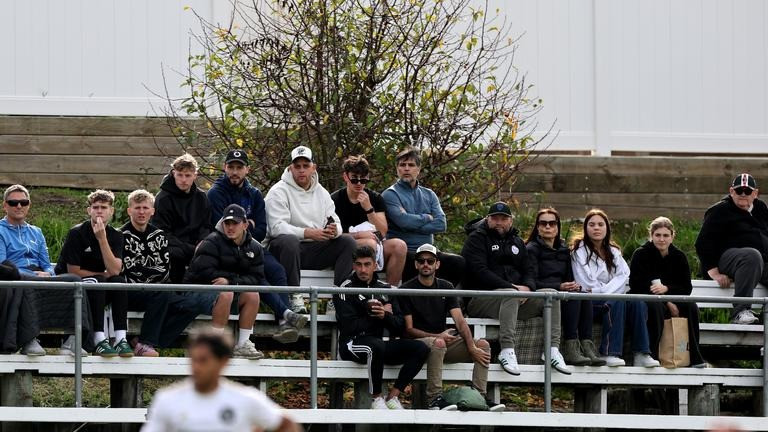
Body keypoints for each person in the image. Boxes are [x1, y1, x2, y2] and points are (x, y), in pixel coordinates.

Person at [207, 149, 306, 342]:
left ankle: (284, 323)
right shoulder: (215, 193)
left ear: (247, 170)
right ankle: (285, 313)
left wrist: (245, 228)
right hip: (226, 250)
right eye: (231, 167)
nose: (235, 171)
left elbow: (261, 229)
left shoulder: (254, 194)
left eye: (239, 167)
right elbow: (220, 228)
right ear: (224, 168)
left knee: (276, 270)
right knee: (257, 276)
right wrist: (246, 225)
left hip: (252, 247)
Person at [461, 202, 570, 375]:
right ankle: (507, 350)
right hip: (481, 299)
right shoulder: (476, 239)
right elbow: (479, 272)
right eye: (495, 218)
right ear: (487, 219)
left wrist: (527, 287)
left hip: (514, 300)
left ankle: (552, 350)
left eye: (503, 219)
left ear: (510, 221)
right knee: (511, 295)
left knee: (551, 295)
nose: (499, 222)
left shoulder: (517, 242)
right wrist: (512, 287)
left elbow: (529, 270)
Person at [400, 244, 505, 412]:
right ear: (416, 264)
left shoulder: (446, 286)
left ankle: (478, 397)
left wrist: (471, 347)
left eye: (430, 261)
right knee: (439, 342)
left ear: (437, 264)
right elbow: (409, 330)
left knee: (483, 345)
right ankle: (435, 399)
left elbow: (460, 321)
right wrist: (437, 335)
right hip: (417, 346)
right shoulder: (406, 288)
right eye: (421, 261)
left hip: (440, 345)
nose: (425, 264)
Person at [141, 329, 300, 432]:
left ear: (223, 362)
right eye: (193, 360)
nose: (196, 367)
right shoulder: (167, 399)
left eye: (203, 360)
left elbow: (287, 425)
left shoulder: (246, 399)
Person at [334, 246, 429, 409]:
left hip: (378, 344)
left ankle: (393, 396)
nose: (363, 269)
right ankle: (376, 398)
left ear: (376, 265)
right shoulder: (344, 290)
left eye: (367, 264)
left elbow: (400, 326)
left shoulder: (386, 289)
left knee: (421, 348)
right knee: (375, 346)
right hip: (351, 344)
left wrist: (384, 316)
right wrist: (377, 315)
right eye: (359, 264)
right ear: (353, 266)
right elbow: (350, 327)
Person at [0, 184, 89, 357]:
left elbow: (47, 264)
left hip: (38, 273)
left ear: (28, 205)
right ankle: (29, 339)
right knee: (24, 280)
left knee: (74, 280)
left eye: (23, 202)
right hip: (15, 273)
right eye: (13, 202)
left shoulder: (36, 232)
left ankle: (72, 339)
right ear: (5, 205)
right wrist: (33, 274)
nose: (19, 206)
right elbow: (3, 263)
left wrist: (49, 273)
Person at [265, 145, 357, 308]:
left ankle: (338, 297)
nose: (301, 170)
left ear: (313, 168)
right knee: (289, 241)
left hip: (312, 251)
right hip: (284, 252)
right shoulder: (278, 191)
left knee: (347, 242)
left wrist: (334, 231)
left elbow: (335, 221)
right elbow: (276, 227)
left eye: (305, 166)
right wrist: (307, 233)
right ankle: (294, 295)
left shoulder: (322, 193)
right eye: (297, 166)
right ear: (290, 168)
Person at [184, 204, 278, 360]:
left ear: (245, 224)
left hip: (225, 294)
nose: (230, 227)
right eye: (227, 223)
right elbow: (204, 273)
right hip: (196, 293)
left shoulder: (255, 247)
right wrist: (231, 282)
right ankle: (215, 345)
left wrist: (230, 280)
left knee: (252, 295)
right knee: (226, 293)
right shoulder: (211, 242)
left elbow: (257, 278)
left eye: (235, 223)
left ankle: (243, 344)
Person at [571, 208, 660, 368]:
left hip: (609, 299)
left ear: (607, 228)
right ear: (586, 228)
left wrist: (603, 290)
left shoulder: (614, 251)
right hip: (589, 302)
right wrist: (606, 291)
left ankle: (641, 353)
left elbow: (624, 276)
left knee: (637, 302)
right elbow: (585, 283)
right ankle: (609, 353)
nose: (596, 228)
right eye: (592, 225)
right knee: (618, 301)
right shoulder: (579, 252)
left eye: (600, 224)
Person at [121, 189, 202, 356]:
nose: (141, 212)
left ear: (152, 211)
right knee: (161, 292)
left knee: (192, 304)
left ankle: (149, 342)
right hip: (130, 292)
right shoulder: (120, 235)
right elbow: (129, 270)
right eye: (137, 208)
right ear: (129, 210)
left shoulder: (160, 236)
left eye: (145, 208)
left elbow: (164, 268)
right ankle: (146, 343)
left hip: (158, 292)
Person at [526, 208, 605, 367]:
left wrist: (571, 286)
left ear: (557, 226)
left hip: (562, 292)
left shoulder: (564, 250)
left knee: (582, 296)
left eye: (552, 223)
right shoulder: (531, 249)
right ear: (538, 227)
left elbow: (569, 277)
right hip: (544, 295)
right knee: (572, 299)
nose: (548, 227)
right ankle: (571, 349)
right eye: (543, 223)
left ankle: (588, 347)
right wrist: (559, 286)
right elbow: (532, 281)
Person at [56, 190, 131, 358]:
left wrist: (102, 239)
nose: (99, 211)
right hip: (74, 285)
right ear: (89, 210)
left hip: (99, 284)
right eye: (95, 207)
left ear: (111, 211)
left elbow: (114, 271)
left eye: (104, 207)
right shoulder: (77, 233)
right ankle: (99, 339)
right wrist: (101, 274)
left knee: (119, 281)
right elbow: (73, 271)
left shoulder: (117, 235)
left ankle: (120, 338)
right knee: (98, 280)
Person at [382, 147, 465, 288]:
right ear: (397, 169)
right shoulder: (390, 194)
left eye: (411, 165)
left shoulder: (429, 194)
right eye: (402, 165)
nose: (406, 169)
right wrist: (427, 217)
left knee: (458, 262)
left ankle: (444, 302)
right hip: (406, 254)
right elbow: (403, 221)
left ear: (418, 169)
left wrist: (409, 222)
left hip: (429, 251)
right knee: (416, 263)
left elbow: (441, 224)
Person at [630, 217, 707, 368]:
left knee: (691, 307)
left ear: (672, 236)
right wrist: (666, 301)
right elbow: (636, 285)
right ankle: (652, 353)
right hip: (648, 299)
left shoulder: (679, 256)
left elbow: (686, 287)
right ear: (651, 236)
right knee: (655, 307)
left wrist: (667, 289)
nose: (661, 239)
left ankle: (694, 356)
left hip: (672, 297)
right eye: (657, 235)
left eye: (666, 235)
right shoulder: (641, 254)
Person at [695, 173, 768, 325]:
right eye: (738, 190)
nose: (742, 194)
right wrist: (713, 272)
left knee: (755, 257)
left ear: (755, 193)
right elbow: (703, 242)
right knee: (751, 255)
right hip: (729, 258)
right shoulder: (719, 210)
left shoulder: (761, 208)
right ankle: (741, 311)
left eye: (747, 191)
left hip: (759, 261)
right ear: (731, 191)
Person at [330, 155, 407, 286]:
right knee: (368, 244)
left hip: (375, 244)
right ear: (345, 177)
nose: (359, 183)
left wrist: (369, 208)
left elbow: (382, 232)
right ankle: (364, 291)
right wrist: (358, 235)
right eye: (354, 179)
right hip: (343, 245)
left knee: (399, 246)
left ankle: (389, 296)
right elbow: (330, 234)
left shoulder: (375, 198)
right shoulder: (334, 199)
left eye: (363, 179)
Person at [151, 153, 213, 283]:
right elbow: (161, 232)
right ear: (174, 174)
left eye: (188, 175)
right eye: (180, 175)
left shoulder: (201, 197)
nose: (183, 180)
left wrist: (202, 242)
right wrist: (189, 248)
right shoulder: (163, 199)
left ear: (195, 176)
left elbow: (206, 225)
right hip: (174, 246)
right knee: (175, 255)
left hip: (197, 244)